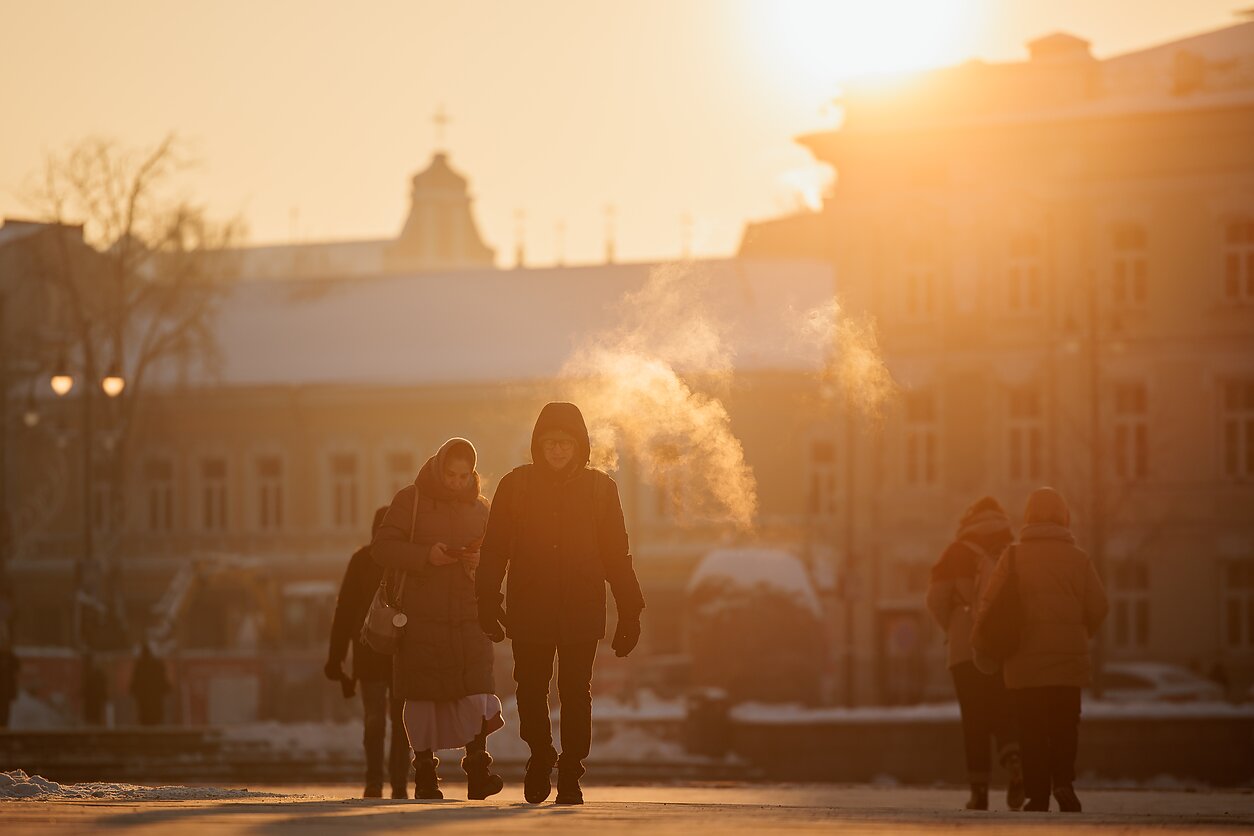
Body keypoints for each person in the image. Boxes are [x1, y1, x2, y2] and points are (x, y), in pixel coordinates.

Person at [477, 402, 646, 805]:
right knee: (530, 687)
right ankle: (540, 755)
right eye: (550, 442)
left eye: (566, 443)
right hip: (530, 605)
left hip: (581, 606)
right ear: (538, 445)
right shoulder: (515, 486)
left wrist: (630, 609)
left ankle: (571, 771)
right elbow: (495, 549)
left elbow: (616, 555)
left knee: (575, 691)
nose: (557, 450)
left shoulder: (600, 490)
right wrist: (485, 598)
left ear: (580, 446)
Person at [372, 438, 504, 801]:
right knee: (423, 699)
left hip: (468, 616)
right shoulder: (409, 501)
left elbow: (498, 555)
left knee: (475, 693)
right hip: (420, 618)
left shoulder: (481, 508)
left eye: (464, 476)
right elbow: (382, 548)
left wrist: (480, 562)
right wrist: (426, 555)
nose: (457, 482)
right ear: (438, 468)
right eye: (451, 474)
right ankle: (426, 776)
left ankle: (478, 770)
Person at [974, 487, 1108, 813]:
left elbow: (988, 605)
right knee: (1065, 724)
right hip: (1068, 661)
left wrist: (982, 647)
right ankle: (1063, 782)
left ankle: (1037, 794)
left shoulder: (1014, 556)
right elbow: (1099, 606)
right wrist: (1078, 632)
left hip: (1024, 662)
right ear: (1064, 516)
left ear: (1029, 517)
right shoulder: (1079, 558)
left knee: (1031, 727)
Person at [925, 496, 1023, 811]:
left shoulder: (955, 552)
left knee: (974, 718)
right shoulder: (1013, 550)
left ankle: (979, 791)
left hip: (965, 648)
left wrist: (953, 626)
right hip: (1000, 646)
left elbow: (936, 599)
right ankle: (1014, 760)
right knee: (1003, 709)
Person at [326, 506, 411, 798]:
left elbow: (344, 610)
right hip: (390, 653)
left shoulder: (370, 559)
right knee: (394, 721)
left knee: (383, 720)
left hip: (385, 653)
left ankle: (383, 782)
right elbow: (346, 609)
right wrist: (335, 657)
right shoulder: (372, 560)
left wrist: (336, 657)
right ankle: (389, 783)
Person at [129, 642, 171, 726]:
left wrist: (134, 690)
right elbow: (162, 681)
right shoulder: (157, 665)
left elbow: (136, 682)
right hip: (155, 697)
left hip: (144, 698)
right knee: (156, 718)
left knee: (145, 718)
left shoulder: (140, 666)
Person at [0, 625, 19, 728]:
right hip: (5, 689)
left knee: (5, 710)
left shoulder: (11, 656)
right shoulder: (10, 656)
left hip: (6, 689)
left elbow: (16, 670)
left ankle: (4, 727)